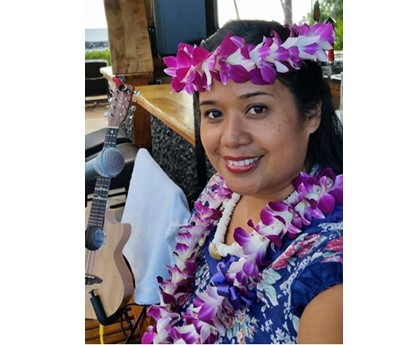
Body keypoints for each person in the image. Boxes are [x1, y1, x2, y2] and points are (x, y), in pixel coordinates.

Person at [142, 19, 343, 344]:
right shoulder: (219, 195)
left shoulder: (330, 276)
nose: (231, 139)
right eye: (214, 114)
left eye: (257, 108)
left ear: (313, 114)